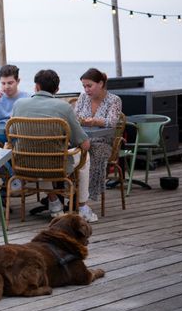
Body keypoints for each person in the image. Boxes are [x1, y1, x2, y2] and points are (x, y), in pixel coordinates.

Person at [12, 69, 97, 222]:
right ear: (57, 90)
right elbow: (84, 144)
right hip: (55, 165)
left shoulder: (19, 104)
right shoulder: (63, 107)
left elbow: (11, 132)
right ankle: (82, 207)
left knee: (39, 150)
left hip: (23, 163)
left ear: (36, 86)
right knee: (86, 155)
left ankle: (54, 203)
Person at [74, 68, 122, 204]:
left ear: (100, 84)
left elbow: (112, 122)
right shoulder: (83, 97)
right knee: (66, 152)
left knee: (94, 153)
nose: (86, 89)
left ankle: (86, 197)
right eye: (84, 86)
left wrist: (95, 121)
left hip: (104, 142)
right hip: (83, 139)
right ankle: (68, 192)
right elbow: (75, 117)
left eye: (89, 86)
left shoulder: (114, 100)